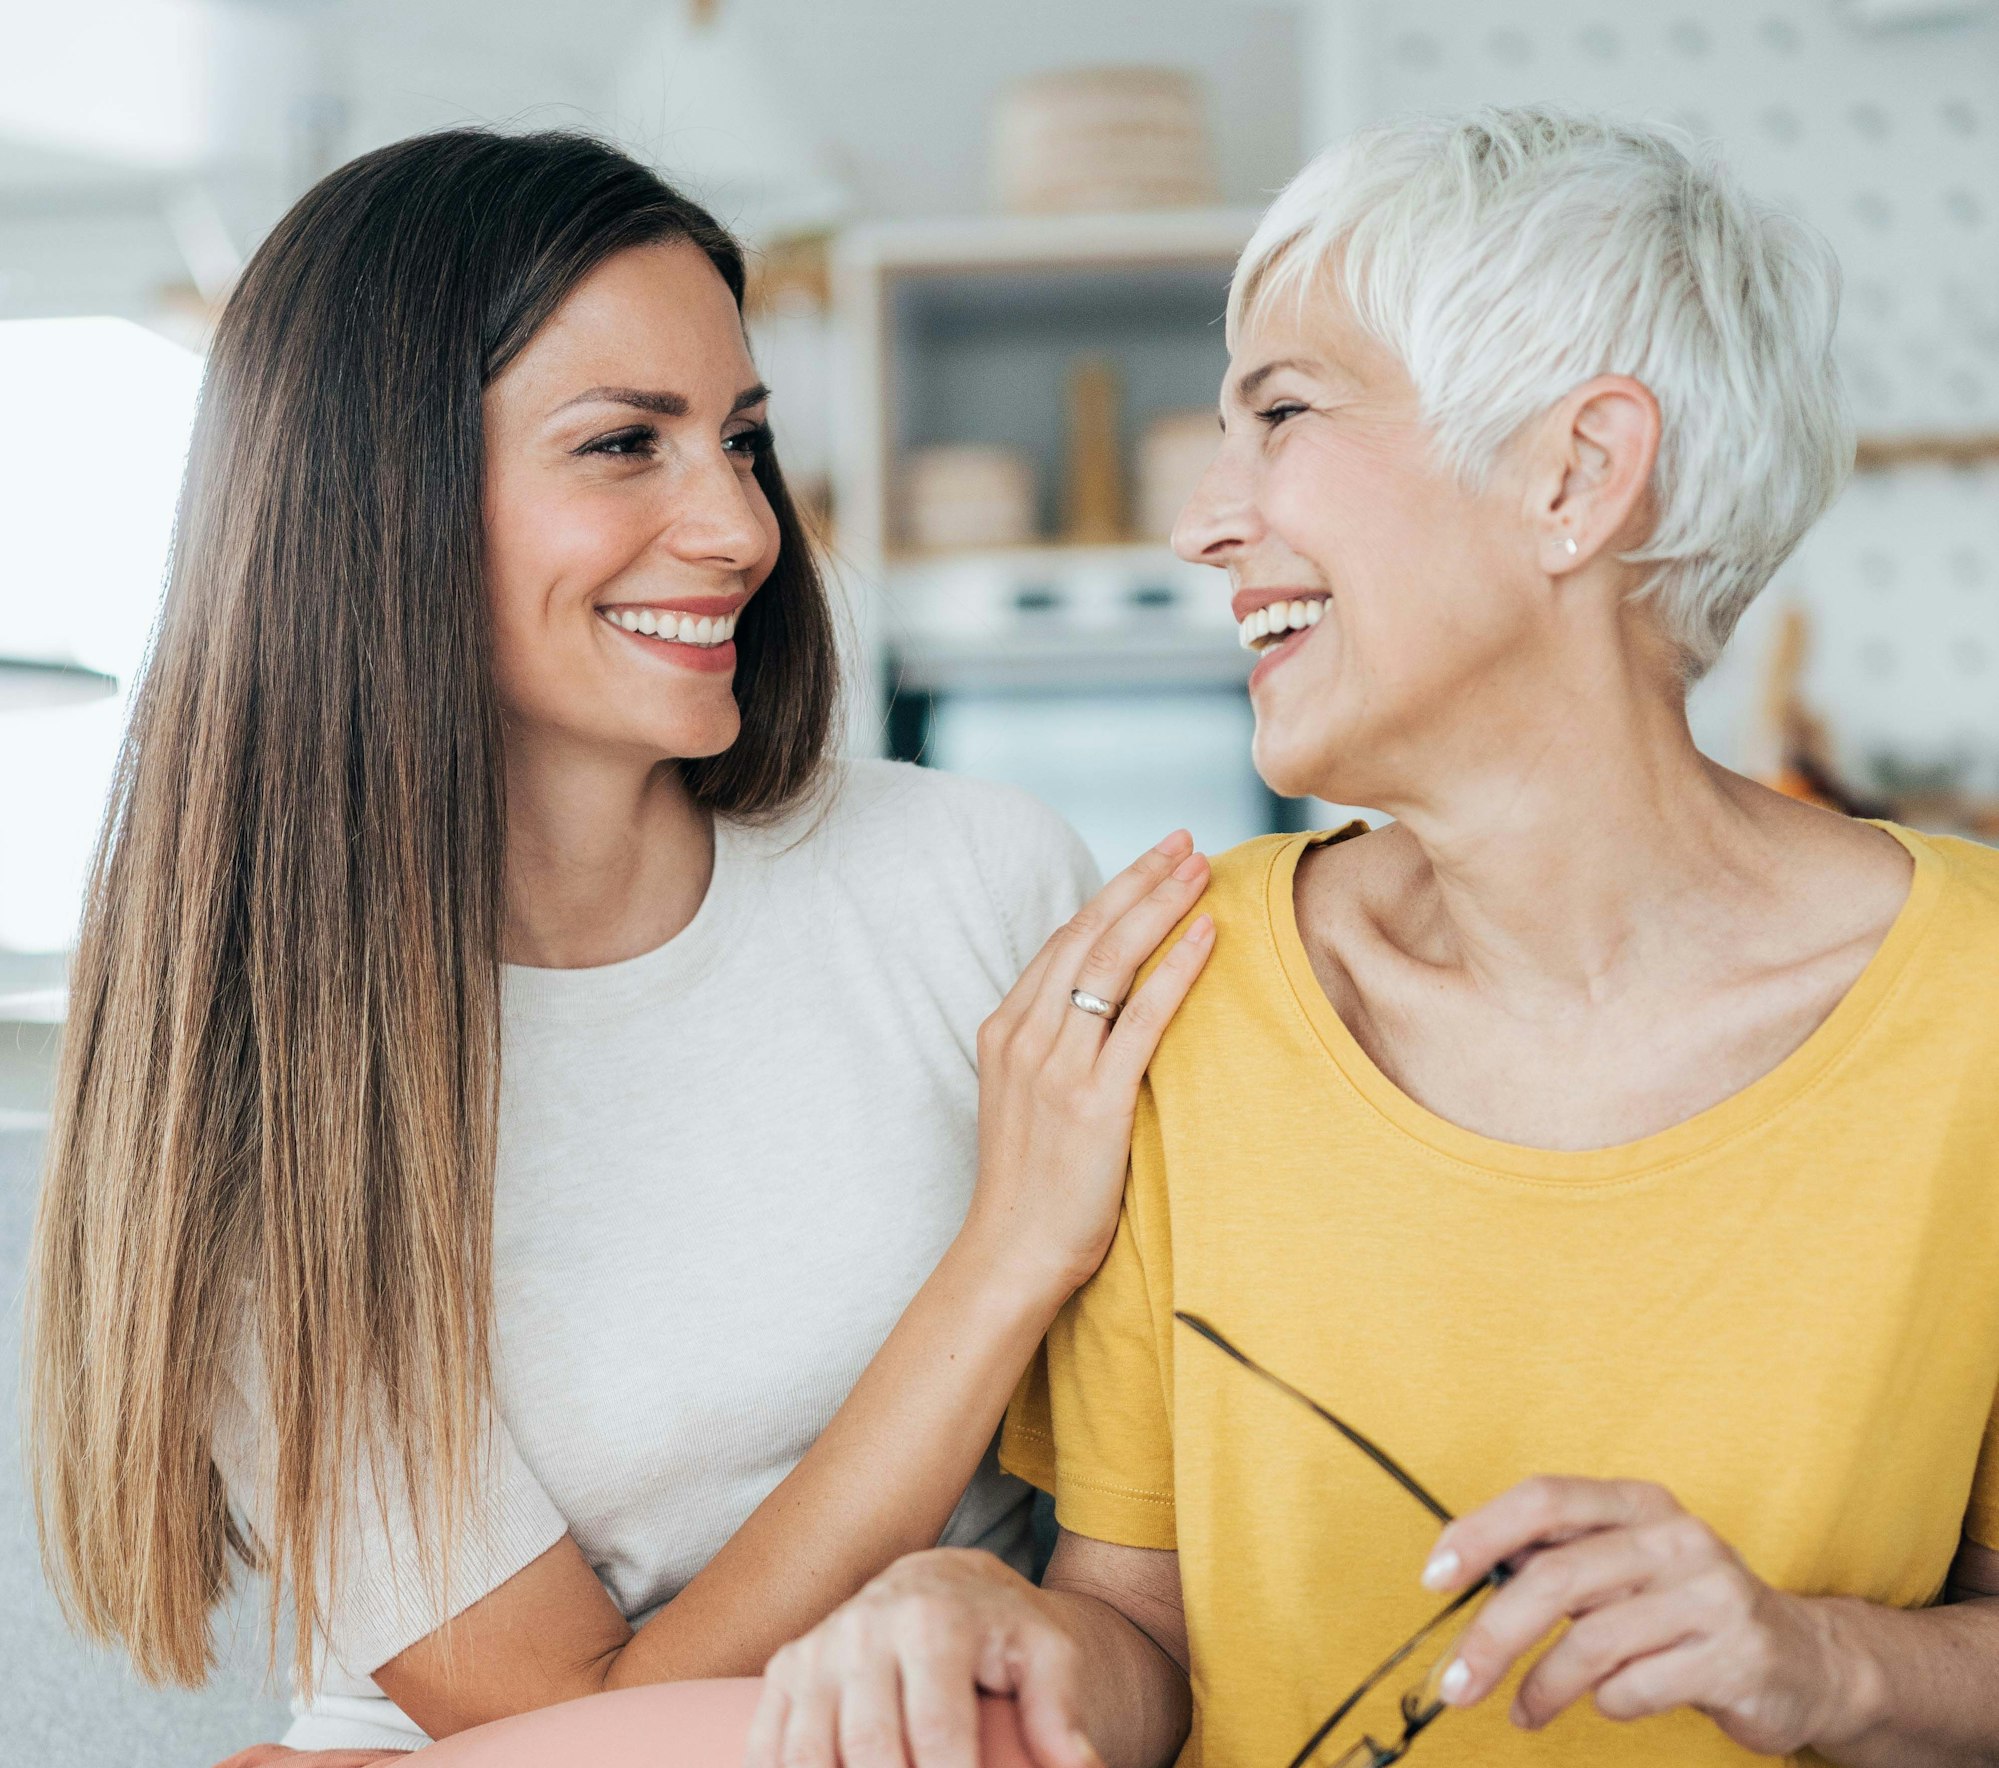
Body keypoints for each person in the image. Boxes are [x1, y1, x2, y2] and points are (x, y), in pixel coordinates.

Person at [753, 108, 1999, 1768]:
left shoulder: (1976, 1012)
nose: (1202, 518)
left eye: (1281, 411)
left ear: (1574, 473)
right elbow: (1143, 1645)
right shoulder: (1190, 1002)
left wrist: (1818, 1661)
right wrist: (993, 1627)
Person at [23, 129, 1216, 1761]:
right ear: (379, 504)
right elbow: (565, 1733)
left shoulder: (973, 879)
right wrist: (1007, 1259)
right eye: (623, 447)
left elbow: (1144, 1578)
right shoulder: (266, 1093)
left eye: (742, 441)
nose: (739, 528)